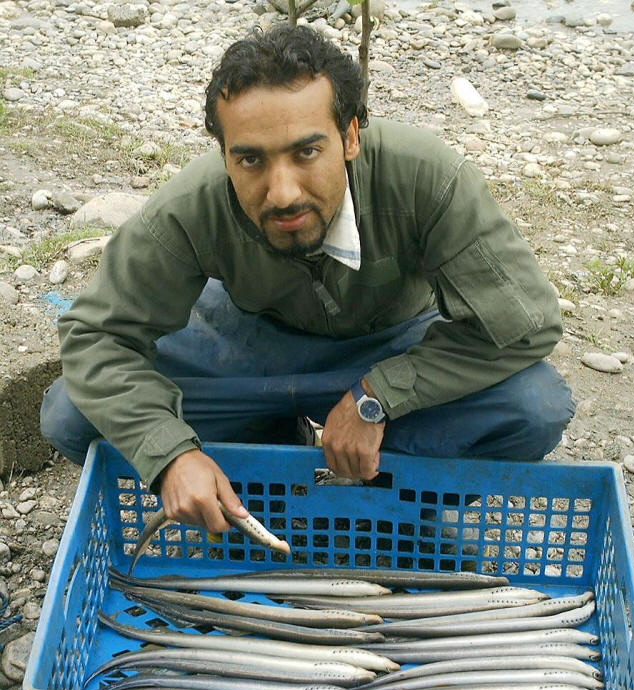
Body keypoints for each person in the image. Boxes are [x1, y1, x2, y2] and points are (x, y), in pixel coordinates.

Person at [41, 24, 574, 536]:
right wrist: (170, 454)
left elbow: (526, 325)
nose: (281, 193)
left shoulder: (426, 178)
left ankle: (385, 511)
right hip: (246, 350)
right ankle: (253, 485)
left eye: (307, 152)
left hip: (393, 346)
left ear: (350, 137)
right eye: (249, 159)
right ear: (224, 155)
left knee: (535, 405)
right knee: (70, 413)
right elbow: (96, 338)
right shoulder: (189, 208)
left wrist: (378, 396)